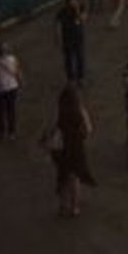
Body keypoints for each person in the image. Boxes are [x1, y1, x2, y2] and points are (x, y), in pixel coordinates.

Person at [45, 82, 95, 217]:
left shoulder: (58, 111)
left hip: (61, 149)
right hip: (76, 147)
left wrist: (46, 141)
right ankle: (75, 207)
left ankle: (63, 205)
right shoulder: (80, 110)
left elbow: (50, 129)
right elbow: (89, 129)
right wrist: (81, 138)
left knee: (62, 177)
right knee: (75, 178)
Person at [0, 37, 23, 140]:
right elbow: (17, 72)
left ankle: (1, 131)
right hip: (11, 86)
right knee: (11, 110)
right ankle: (12, 132)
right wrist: (20, 82)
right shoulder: (12, 59)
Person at [54, 0, 85, 84]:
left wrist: (77, 11)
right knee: (68, 60)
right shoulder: (62, 12)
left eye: (75, 2)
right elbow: (58, 25)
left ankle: (80, 77)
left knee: (80, 58)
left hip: (78, 38)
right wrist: (58, 37)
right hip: (67, 39)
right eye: (71, 2)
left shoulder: (80, 8)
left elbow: (83, 19)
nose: (73, 4)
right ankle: (71, 78)